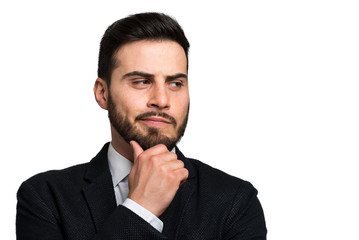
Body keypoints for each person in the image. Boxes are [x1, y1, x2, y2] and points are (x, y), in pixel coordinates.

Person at [16, 12, 267, 239]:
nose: (161, 100)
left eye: (175, 83)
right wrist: (140, 208)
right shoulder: (44, 198)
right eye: (141, 81)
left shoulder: (235, 201)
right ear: (103, 93)